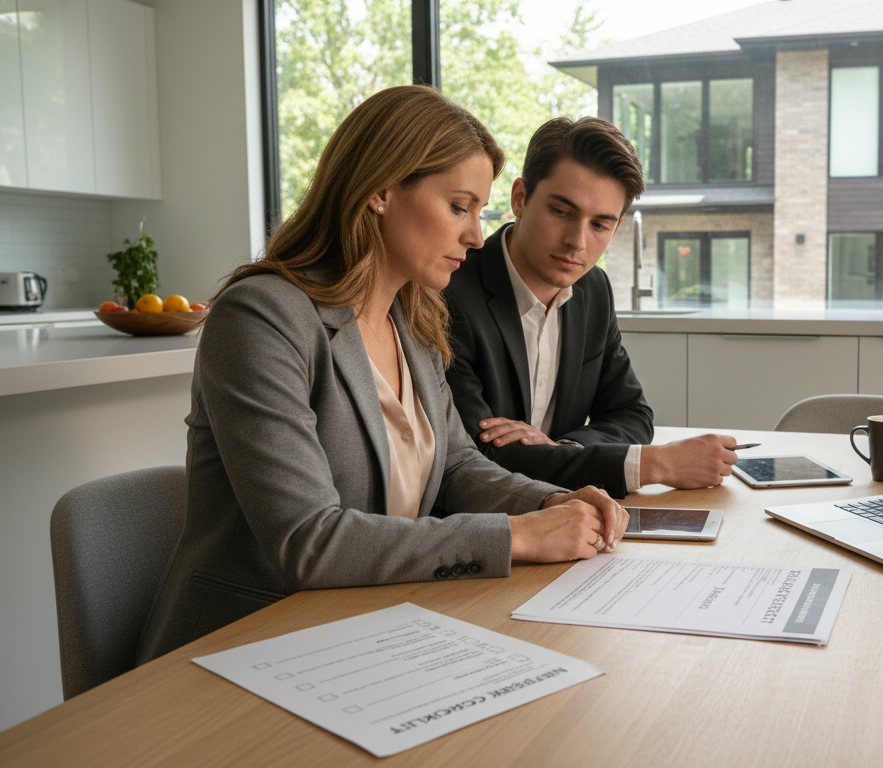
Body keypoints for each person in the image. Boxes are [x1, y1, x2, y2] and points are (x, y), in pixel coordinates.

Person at [138, 86, 628, 663]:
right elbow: (308, 541)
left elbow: (456, 466)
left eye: (479, 212)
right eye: (460, 207)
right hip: (245, 646)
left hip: (371, 629)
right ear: (380, 190)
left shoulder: (413, 319)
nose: (476, 235)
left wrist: (552, 503)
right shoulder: (262, 318)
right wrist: (518, 535)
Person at [443, 117, 738, 498]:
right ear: (519, 198)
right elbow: (477, 460)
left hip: (574, 512)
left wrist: (563, 448)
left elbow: (632, 413)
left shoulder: (593, 289)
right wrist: (655, 464)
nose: (577, 242)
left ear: (616, 229)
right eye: (561, 212)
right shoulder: (451, 292)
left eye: (599, 225)